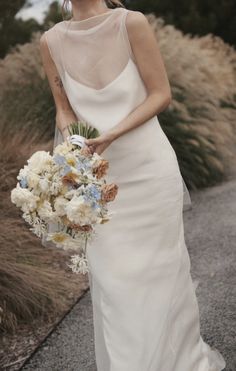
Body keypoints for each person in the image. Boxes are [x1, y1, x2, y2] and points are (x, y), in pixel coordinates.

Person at [40, 0, 226, 370]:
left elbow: (161, 94)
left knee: (162, 275)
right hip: (97, 183)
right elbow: (63, 107)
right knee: (115, 287)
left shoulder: (132, 23)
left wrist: (110, 134)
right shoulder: (51, 41)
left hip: (148, 171)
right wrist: (72, 140)